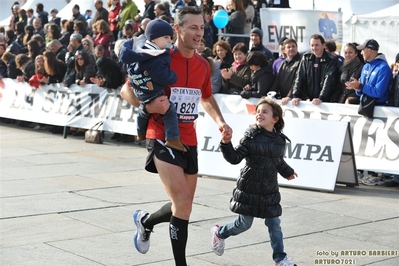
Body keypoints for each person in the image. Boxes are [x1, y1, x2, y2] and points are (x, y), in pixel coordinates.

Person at [120, 6, 231, 266]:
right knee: (181, 202)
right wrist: (146, 106)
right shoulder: (157, 57)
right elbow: (126, 90)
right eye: (193, 27)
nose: (199, 33)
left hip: (189, 138)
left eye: (202, 27)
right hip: (160, 133)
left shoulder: (204, 64)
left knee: (184, 206)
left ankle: (146, 222)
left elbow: (205, 96)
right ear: (177, 30)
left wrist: (220, 122)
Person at [210, 97, 297, 266]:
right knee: (244, 224)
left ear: (275, 118)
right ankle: (220, 233)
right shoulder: (250, 136)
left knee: (274, 225)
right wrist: (226, 143)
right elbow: (234, 158)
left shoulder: (280, 141)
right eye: (258, 112)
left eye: (264, 112)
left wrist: (288, 172)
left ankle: (280, 259)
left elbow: (277, 161)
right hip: (249, 187)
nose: (259, 114)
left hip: (269, 189)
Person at [119, 18, 185, 151]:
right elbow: (160, 76)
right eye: (166, 37)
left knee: (144, 109)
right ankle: (173, 139)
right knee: (169, 109)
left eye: (171, 38)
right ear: (154, 39)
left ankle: (140, 132)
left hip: (139, 88)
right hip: (152, 90)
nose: (170, 41)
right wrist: (173, 76)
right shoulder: (156, 56)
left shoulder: (138, 50)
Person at [291, 34, 339, 106]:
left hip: (327, 101)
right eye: (312, 45)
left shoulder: (331, 60)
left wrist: (321, 98)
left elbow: (329, 80)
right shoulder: (306, 58)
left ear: (323, 45)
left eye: (317, 45)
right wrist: (295, 95)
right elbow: (299, 77)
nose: (314, 48)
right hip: (308, 99)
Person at [271, 38, 302, 104]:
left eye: (293, 46)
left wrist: (289, 96)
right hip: (284, 99)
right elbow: (277, 80)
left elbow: (297, 81)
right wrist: (271, 94)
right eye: (288, 47)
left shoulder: (301, 62)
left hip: (297, 100)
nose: (291, 48)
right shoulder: (283, 63)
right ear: (284, 50)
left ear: (297, 48)